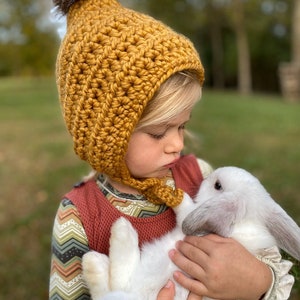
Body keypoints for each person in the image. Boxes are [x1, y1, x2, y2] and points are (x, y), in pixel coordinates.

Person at [49, 0, 294, 299]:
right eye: (157, 132)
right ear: (104, 137)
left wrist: (257, 282)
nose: (177, 144)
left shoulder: (201, 177)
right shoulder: (78, 217)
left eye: (182, 126)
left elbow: (262, 251)